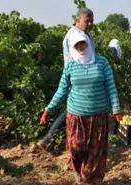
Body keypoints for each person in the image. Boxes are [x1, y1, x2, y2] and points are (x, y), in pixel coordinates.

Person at [40, 31, 123, 184]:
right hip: (76, 116)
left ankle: (90, 180)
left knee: (95, 152)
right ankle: (78, 171)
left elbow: (111, 87)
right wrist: (48, 109)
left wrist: (116, 109)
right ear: (73, 46)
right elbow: (62, 90)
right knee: (76, 147)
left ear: (89, 43)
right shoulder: (71, 66)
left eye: (83, 43)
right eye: (77, 44)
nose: (80, 46)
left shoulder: (102, 63)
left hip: (98, 116)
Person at [37, 8, 96, 150]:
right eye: (87, 21)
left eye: (92, 21)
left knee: (71, 111)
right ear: (78, 21)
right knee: (72, 111)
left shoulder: (83, 34)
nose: (90, 24)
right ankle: (52, 140)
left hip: (81, 78)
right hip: (78, 79)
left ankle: (50, 140)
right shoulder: (76, 36)